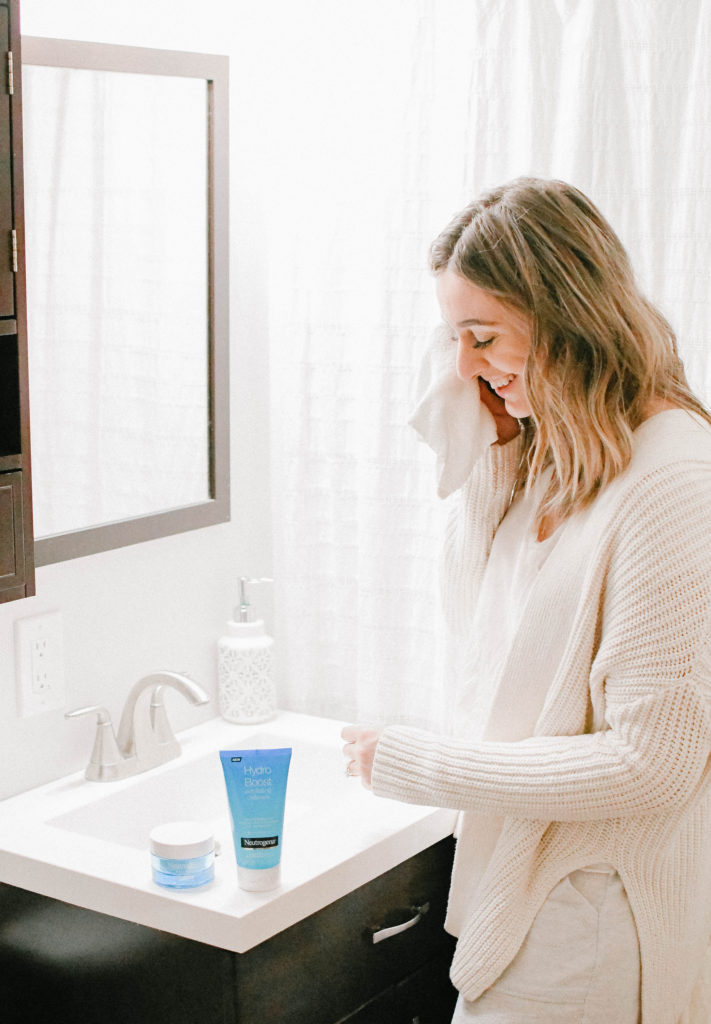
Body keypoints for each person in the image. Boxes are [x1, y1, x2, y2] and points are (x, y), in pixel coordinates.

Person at [341, 177, 711, 1024]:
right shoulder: (563, 452)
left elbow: (653, 764)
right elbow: (483, 636)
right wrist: (496, 446)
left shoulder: (670, 480)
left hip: (588, 930)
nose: (463, 364)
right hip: (528, 901)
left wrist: (417, 763)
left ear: (567, 316)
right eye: (452, 340)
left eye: (482, 336)